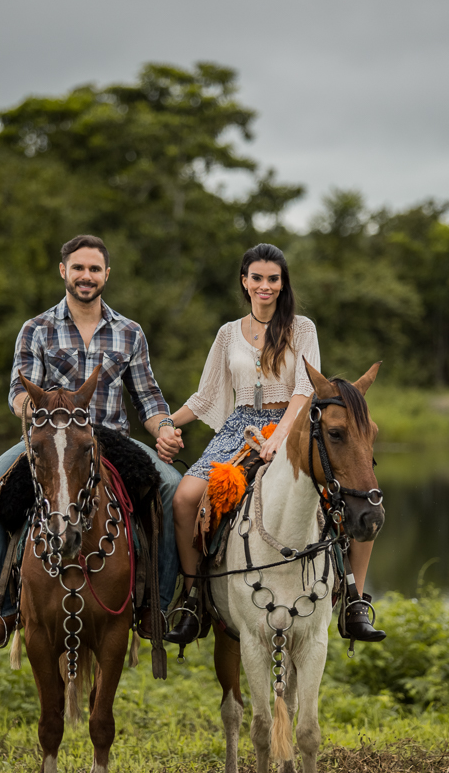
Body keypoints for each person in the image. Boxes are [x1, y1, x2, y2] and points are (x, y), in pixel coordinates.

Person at [163, 242, 383, 646]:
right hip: (239, 427)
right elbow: (206, 396)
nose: (265, 286)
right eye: (257, 278)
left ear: (283, 284)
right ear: (244, 282)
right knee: (184, 498)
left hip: (295, 425)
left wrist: (281, 434)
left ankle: (354, 600)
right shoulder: (228, 333)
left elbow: (304, 388)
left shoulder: (303, 328)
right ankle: (193, 598)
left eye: (273, 279)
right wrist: (164, 423)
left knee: (355, 496)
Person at [0, 234, 183, 647]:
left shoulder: (129, 332)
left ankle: (154, 606)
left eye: (95, 269)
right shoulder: (37, 328)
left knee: (173, 488)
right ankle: (2, 611)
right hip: (50, 438)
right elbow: (17, 390)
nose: (87, 276)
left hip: (110, 437)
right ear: (63, 271)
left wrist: (165, 429)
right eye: (79, 268)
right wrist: (35, 411)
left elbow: (148, 397)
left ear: (107, 275)